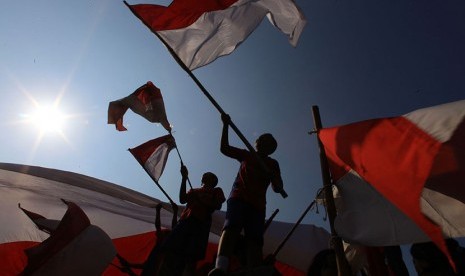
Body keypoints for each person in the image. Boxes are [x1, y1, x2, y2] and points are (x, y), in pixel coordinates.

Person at [209, 113, 285, 275]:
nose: (258, 141)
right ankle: (221, 266)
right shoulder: (247, 155)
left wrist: (274, 177)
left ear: (269, 147)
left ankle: (254, 269)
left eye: (264, 141)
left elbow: (277, 188)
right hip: (239, 198)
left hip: (257, 205)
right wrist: (226, 125)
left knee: (255, 239)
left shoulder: (272, 163)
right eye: (260, 140)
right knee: (231, 229)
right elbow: (224, 148)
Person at [158, 164, 225, 276]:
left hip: (200, 224)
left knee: (191, 258)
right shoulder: (194, 190)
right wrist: (184, 178)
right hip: (185, 221)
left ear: (213, 181)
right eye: (205, 176)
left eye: (209, 176)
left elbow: (217, 205)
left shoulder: (216, 191)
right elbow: (182, 199)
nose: (205, 176)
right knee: (171, 251)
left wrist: (202, 201)